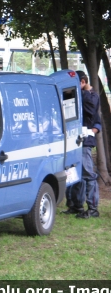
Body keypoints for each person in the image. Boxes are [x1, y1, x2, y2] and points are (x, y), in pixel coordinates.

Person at [62, 70, 102, 218]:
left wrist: (86, 90)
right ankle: (75, 205)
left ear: (83, 83)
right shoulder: (75, 97)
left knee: (87, 174)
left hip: (84, 141)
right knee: (73, 173)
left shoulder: (90, 97)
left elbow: (95, 116)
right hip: (72, 141)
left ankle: (92, 208)